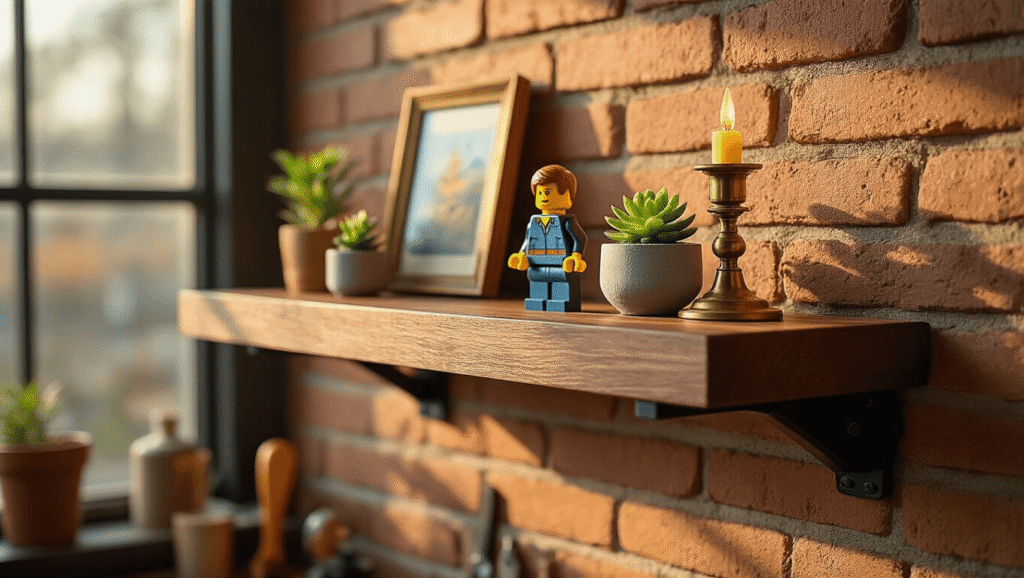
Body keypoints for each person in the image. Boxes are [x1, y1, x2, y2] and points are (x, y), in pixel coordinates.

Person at [508, 165, 588, 312]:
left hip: (561, 265)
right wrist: (521, 255)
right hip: (536, 265)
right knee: (537, 283)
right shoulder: (534, 222)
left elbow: (580, 238)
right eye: (539, 193)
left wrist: (576, 256)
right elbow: (528, 241)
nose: (543, 197)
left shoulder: (567, 221)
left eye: (548, 192)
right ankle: (538, 300)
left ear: (567, 195)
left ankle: (561, 302)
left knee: (561, 284)